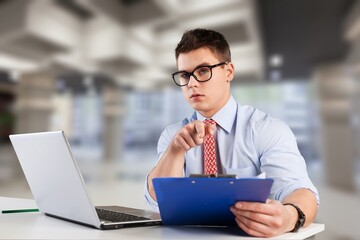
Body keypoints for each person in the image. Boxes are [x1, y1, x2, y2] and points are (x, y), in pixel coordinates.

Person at [144, 28, 319, 238]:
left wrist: (289, 217)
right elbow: (157, 201)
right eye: (184, 75)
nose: (191, 83)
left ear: (228, 72)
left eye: (202, 71)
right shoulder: (173, 135)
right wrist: (175, 150)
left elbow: (300, 190)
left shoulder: (266, 129)